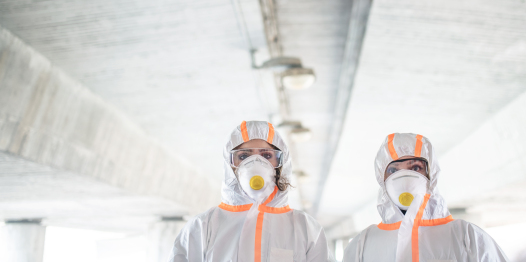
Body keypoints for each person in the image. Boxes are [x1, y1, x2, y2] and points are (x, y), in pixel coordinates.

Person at [169, 120, 331, 262]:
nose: (256, 163)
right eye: (243, 156)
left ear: (281, 163)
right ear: (230, 164)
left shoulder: (306, 229)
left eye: (267, 156)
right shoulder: (202, 227)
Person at [343, 133, 508, 262]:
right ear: (382, 179)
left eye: (415, 167)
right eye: (393, 171)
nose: (404, 178)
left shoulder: (467, 237)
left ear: (431, 175)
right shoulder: (362, 244)